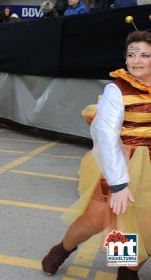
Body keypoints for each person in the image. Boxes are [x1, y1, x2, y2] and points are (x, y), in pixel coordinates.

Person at [41, 30, 150, 280]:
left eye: (145, 55)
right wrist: (119, 182)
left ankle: (127, 269)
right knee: (98, 218)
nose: (136, 61)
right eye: (132, 55)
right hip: (123, 161)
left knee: (145, 220)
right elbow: (106, 134)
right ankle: (61, 250)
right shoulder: (118, 89)